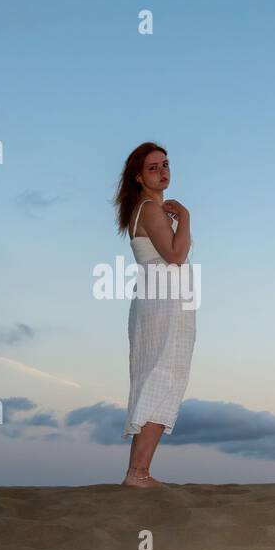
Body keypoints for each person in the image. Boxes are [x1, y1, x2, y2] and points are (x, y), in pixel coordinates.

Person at [113, 142, 195, 488]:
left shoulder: (147, 210)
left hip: (160, 298)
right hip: (163, 300)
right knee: (163, 376)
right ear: (138, 176)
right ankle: (138, 473)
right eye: (152, 167)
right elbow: (175, 255)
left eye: (165, 164)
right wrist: (186, 219)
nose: (163, 171)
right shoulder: (149, 209)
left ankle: (139, 472)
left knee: (156, 376)